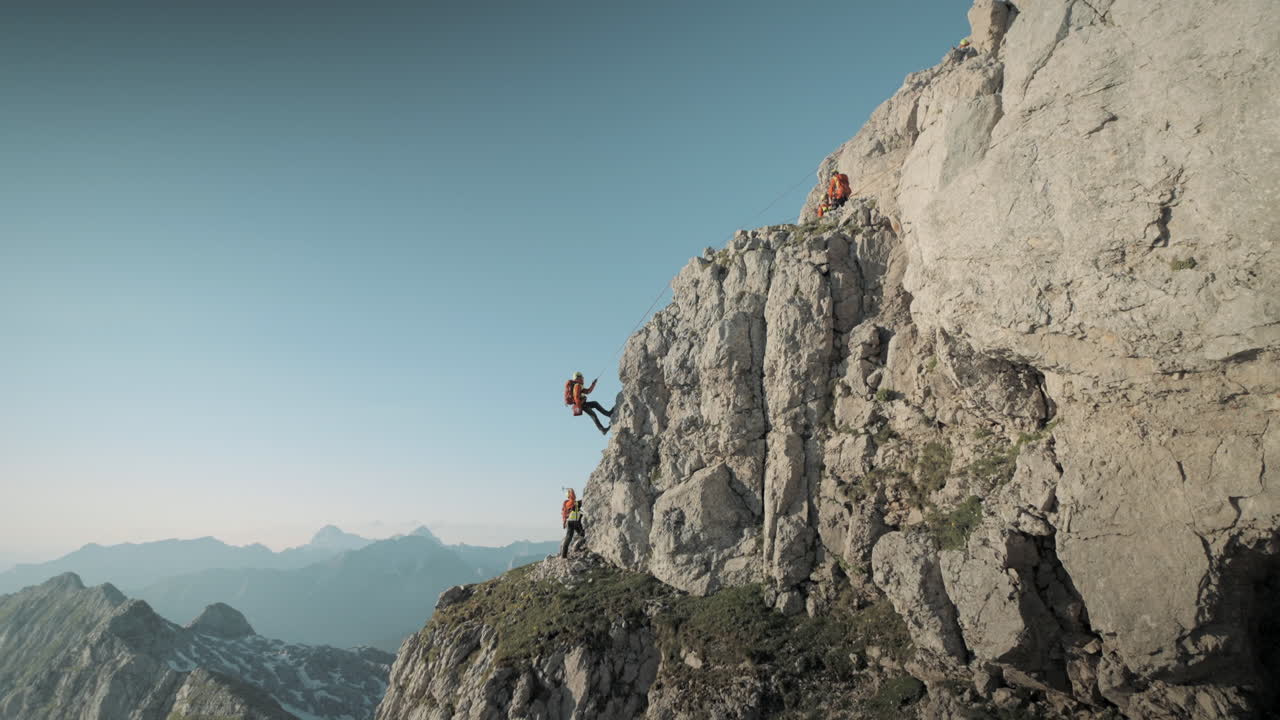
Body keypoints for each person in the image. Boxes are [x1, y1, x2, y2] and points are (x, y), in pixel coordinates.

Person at [560, 488, 585, 558]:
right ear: (569, 496)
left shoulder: (574, 503)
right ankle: (564, 555)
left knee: (582, 534)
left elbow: (582, 502)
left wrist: (564, 522)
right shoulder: (569, 502)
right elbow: (573, 498)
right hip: (572, 522)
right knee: (568, 538)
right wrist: (571, 490)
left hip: (575, 522)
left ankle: (580, 547)